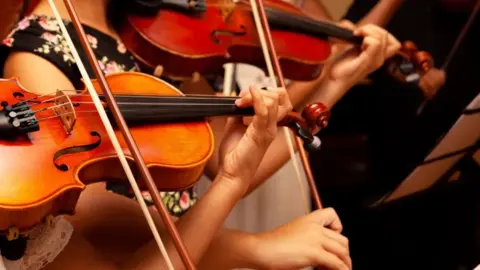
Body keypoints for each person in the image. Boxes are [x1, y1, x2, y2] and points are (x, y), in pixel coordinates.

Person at [0, 0, 400, 269]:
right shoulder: (38, 55)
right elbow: (96, 220)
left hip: (189, 250)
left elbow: (233, 160)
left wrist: (334, 81)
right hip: (173, 254)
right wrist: (254, 246)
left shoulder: (150, 32)